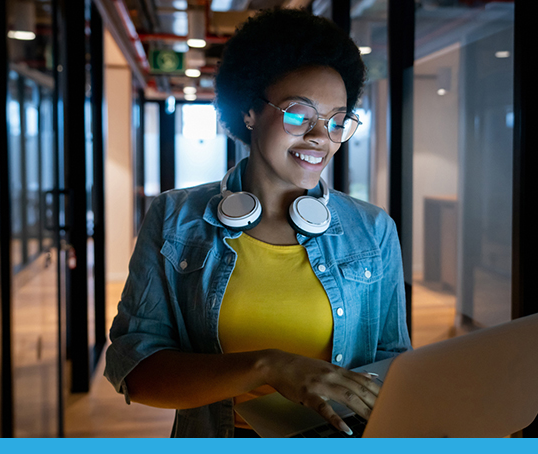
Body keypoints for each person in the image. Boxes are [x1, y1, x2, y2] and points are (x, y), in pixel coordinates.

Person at [103, 8, 411, 438]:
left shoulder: (373, 230)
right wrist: (268, 366)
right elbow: (135, 371)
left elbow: (394, 371)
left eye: (337, 121)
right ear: (249, 110)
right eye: (299, 114)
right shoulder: (175, 219)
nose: (321, 137)